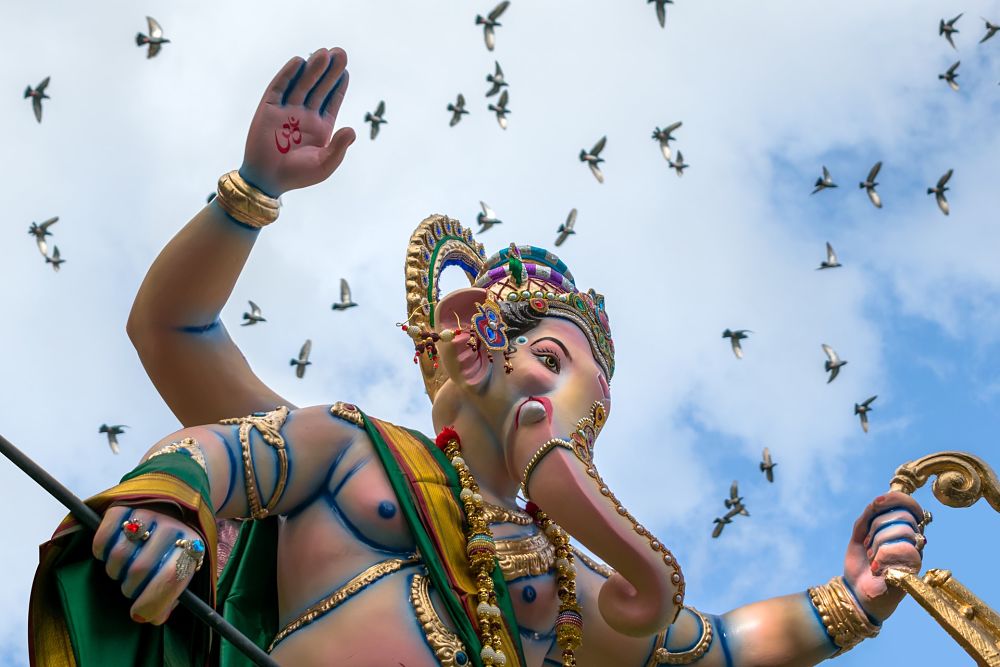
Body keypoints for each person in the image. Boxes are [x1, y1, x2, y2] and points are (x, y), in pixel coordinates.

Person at [30, 47, 926, 667]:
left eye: (590, 400)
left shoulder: (560, 583)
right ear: (473, 339)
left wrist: (852, 598)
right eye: (547, 355)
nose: (562, 400)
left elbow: (721, 646)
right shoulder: (351, 453)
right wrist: (253, 193)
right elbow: (190, 384)